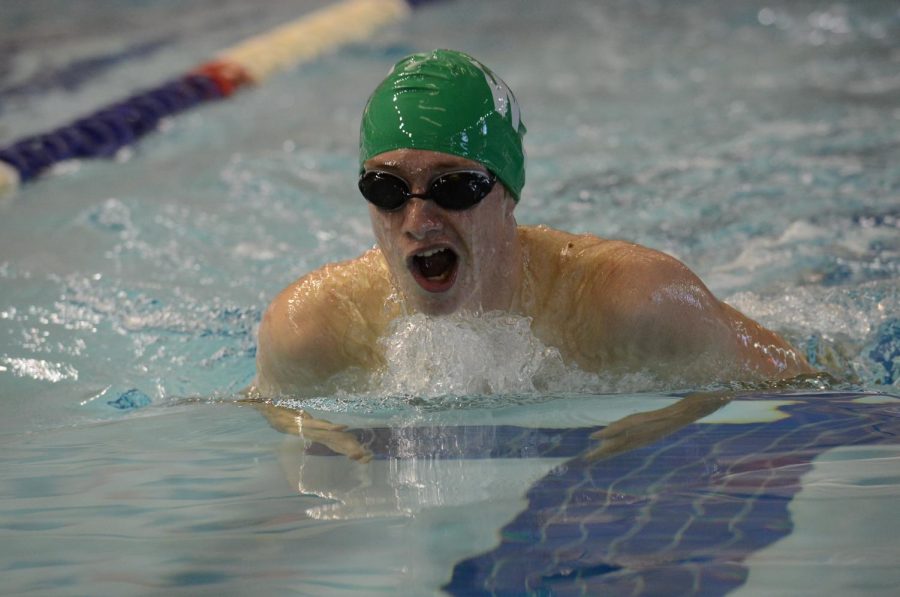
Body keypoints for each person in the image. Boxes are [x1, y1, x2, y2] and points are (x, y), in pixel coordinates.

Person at [251, 49, 812, 403]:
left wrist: (673, 418)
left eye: (455, 187)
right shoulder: (312, 331)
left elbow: (804, 385)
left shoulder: (635, 303)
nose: (418, 223)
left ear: (508, 193)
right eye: (387, 189)